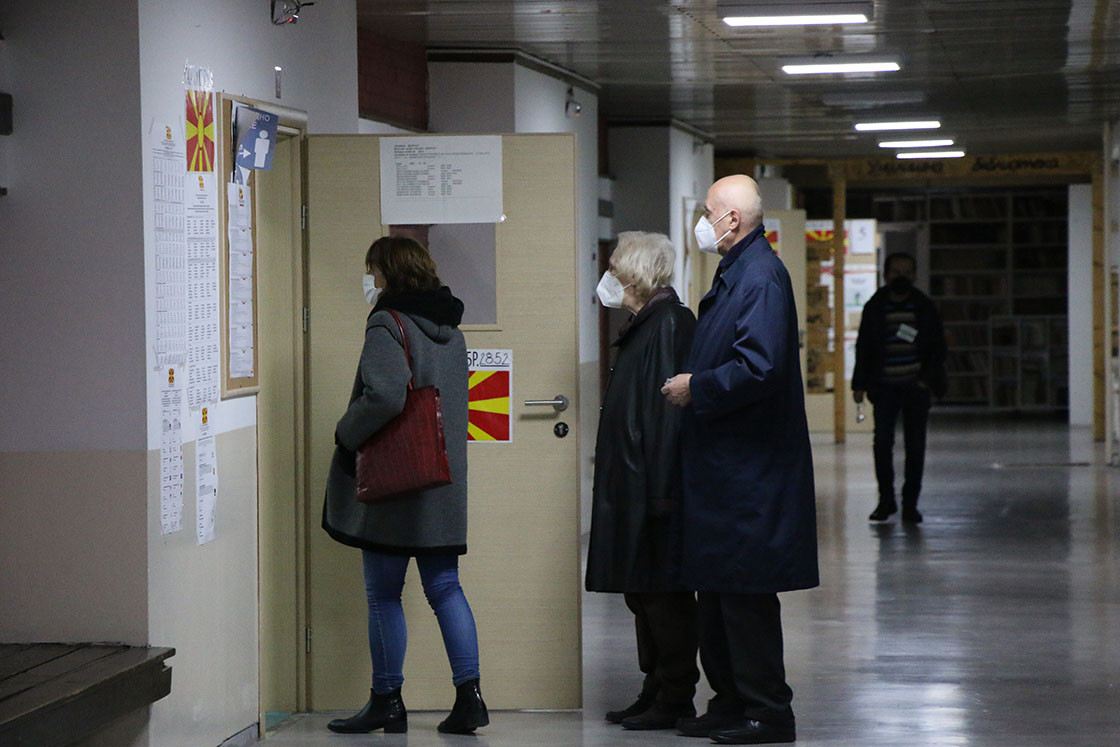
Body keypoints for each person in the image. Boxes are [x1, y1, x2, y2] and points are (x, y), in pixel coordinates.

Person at [662, 175, 818, 745]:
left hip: (750, 471)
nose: (701, 222)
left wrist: (696, 386)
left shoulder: (761, 278)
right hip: (724, 469)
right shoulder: (735, 273)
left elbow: (760, 367)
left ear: (732, 220)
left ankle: (768, 711)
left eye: (708, 212)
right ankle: (729, 700)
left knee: (747, 592)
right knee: (719, 590)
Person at [322, 236, 487, 735]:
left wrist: (345, 432)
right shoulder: (450, 328)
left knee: (384, 594)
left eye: (372, 270)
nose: (369, 280)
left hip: (394, 483)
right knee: (445, 586)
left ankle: (387, 700)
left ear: (387, 272)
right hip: (440, 482)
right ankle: (469, 698)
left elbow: (386, 397)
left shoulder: (386, 323)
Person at [585, 231, 699, 731]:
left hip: (655, 488)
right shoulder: (644, 323)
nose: (607, 275)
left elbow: (669, 417)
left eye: (613, 266)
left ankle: (676, 695)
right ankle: (653, 687)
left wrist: (661, 492)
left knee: (662, 593)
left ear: (634, 273)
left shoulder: (670, 323)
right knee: (641, 591)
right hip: (633, 484)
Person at [852, 252, 947, 524]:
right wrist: (859, 384)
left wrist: (926, 380)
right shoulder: (875, 306)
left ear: (914, 275)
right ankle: (886, 501)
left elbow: (937, 347)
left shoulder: (924, 306)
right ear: (886, 275)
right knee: (882, 445)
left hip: (915, 389)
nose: (901, 277)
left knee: (915, 447)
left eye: (906, 271)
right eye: (896, 272)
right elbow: (864, 347)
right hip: (884, 388)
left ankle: (910, 504)